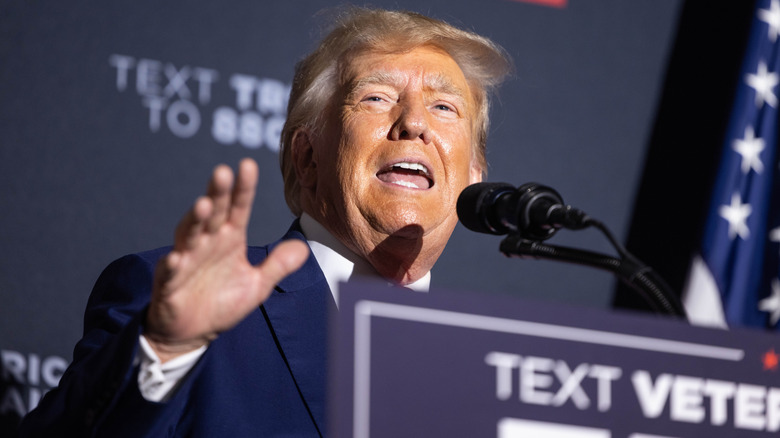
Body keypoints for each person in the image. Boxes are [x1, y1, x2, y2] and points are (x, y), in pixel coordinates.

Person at [17, 7, 510, 437]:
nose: (415, 123)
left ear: (473, 176)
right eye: (377, 98)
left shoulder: (505, 373)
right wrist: (165, 348)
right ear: (307, 157)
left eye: (444, 107)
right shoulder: (174, 306)